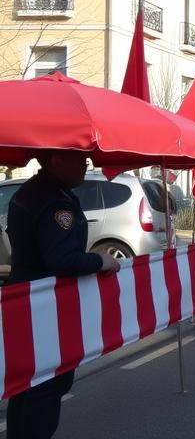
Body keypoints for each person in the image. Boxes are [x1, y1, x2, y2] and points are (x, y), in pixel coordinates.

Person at [6, 150, 120, 439]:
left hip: (28, 300)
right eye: (80, 159)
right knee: (48, 386)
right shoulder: (56, 202)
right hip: (48, 308)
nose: (87, 164)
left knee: (26, 385)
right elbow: (63, 260)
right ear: (57, 160)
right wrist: (100, 260)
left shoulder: (31, 190)